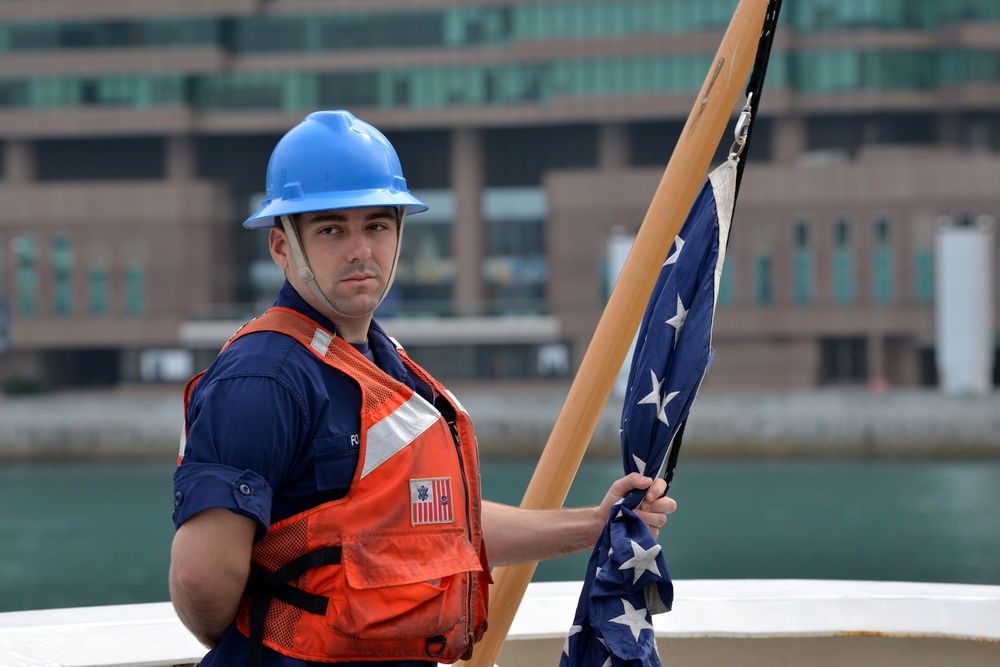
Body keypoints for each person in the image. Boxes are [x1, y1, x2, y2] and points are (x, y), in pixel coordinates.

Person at [169, 110, 677, 667]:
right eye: (331, 229)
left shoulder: (384, 364)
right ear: (281, 246)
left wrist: (594, 524)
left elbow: (437, 526)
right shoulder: (261, 379)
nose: (361, 249)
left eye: (378, 225)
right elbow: (202, 581)